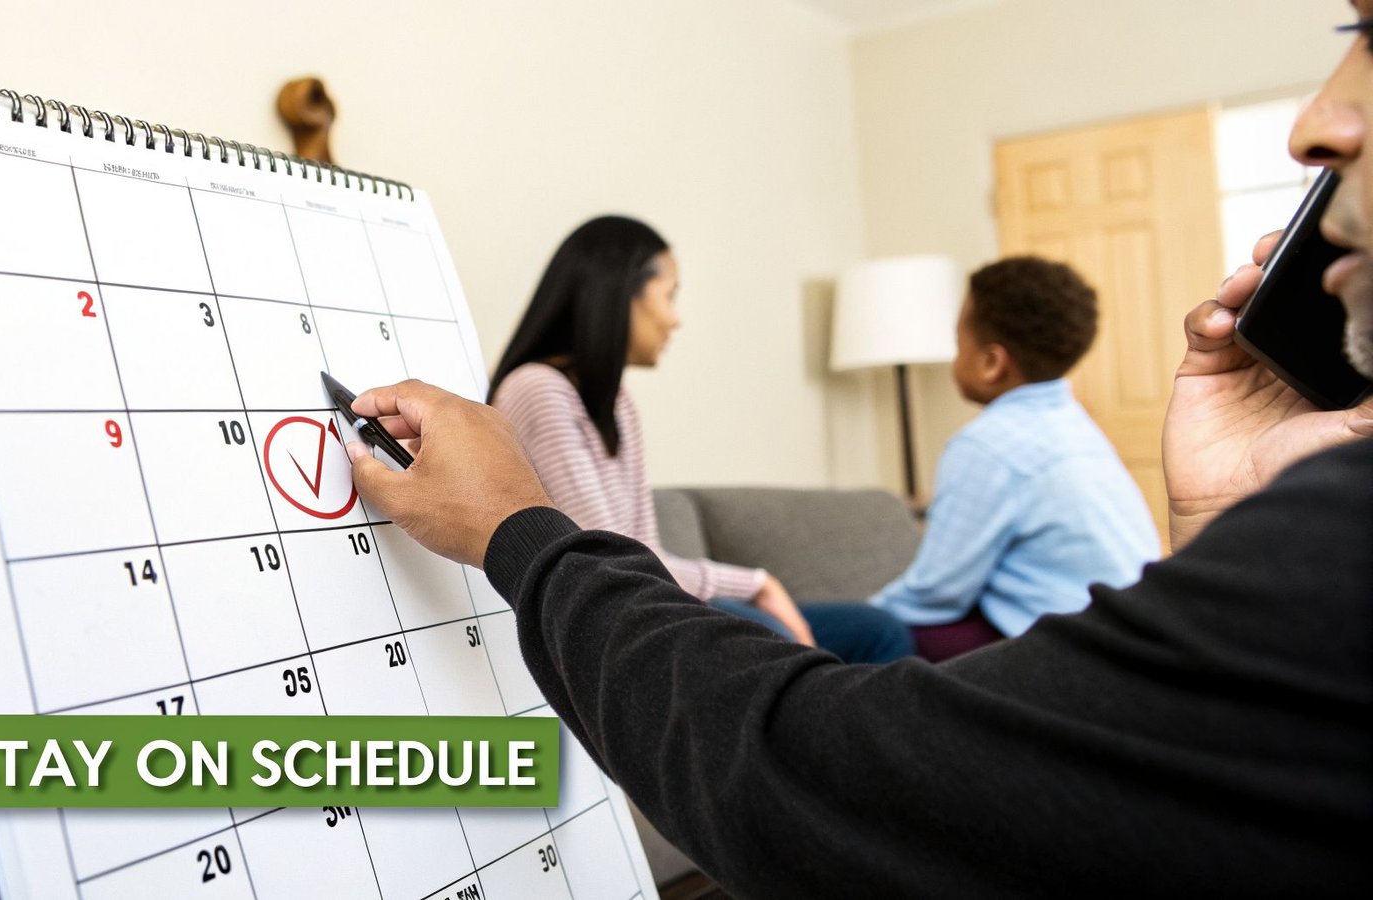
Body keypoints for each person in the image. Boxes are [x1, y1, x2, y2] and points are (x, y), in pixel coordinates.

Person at [339, 4, 1373, 892]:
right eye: (670, 294)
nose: (1311, 126)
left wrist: (531, 533)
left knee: (868, 633)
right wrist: (1232, 537)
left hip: (635, 609)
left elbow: (808, 774)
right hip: (630, 600)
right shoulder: (541, 390)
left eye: (1366, 33)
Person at [488, 215, 913, 662]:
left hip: (646, 597)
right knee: (769, 636)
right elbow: (609, 559)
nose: (675, 320)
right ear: (621, 294)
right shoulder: (539, 389)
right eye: (669, 296)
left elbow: (644, 550)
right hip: (609, 614)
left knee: (879, 631)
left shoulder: (616, 402)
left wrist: (755, 586)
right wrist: (757, 584)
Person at [867, 256, 1160, 661]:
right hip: (1131, 632)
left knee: (880, 635)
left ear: (992, 363)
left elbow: (939, 592)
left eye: (958, 344)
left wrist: (862, 618)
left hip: (1073, 651)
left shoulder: (987, 444)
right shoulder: (1072, 424)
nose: (955, 358)